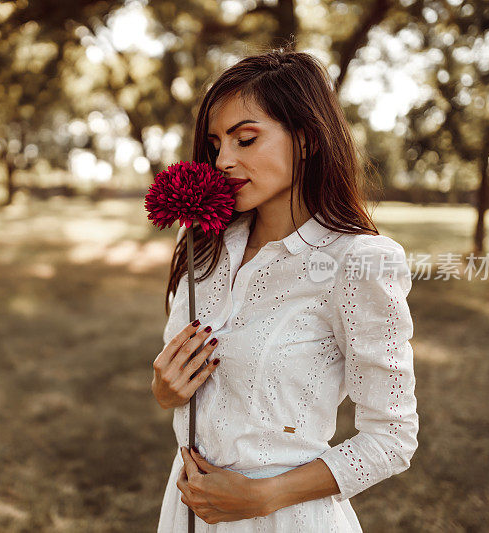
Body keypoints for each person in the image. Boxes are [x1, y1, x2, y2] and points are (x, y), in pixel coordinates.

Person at [151, 49, 419, 532]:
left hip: (283, 519)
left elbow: (392, 438)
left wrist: (263, 495)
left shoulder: (360, 261)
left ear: (307, 139)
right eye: (216, 144)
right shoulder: (202, 245)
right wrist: (166, 391)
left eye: (246, 139)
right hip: (187, 513)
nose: (224, 161)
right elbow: (190, 383)